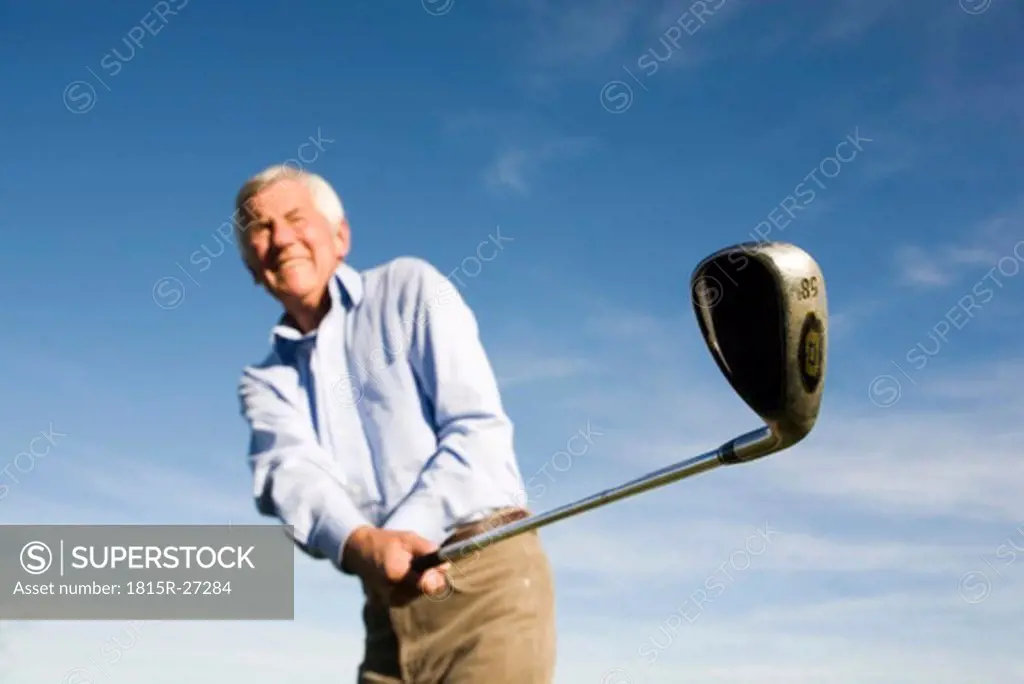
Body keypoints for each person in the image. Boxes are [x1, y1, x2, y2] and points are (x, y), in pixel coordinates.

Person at [233, 164, 556, 683]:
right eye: (260, 228)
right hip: (383, 602)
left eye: (295, 218)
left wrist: (400, 538)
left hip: (484, 578)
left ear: (340, 236)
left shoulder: (409, 287)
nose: (280, 238)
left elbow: (476, 428)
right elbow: (292, 476)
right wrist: (365, 546)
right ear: (250, 264)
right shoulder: (265, 381)